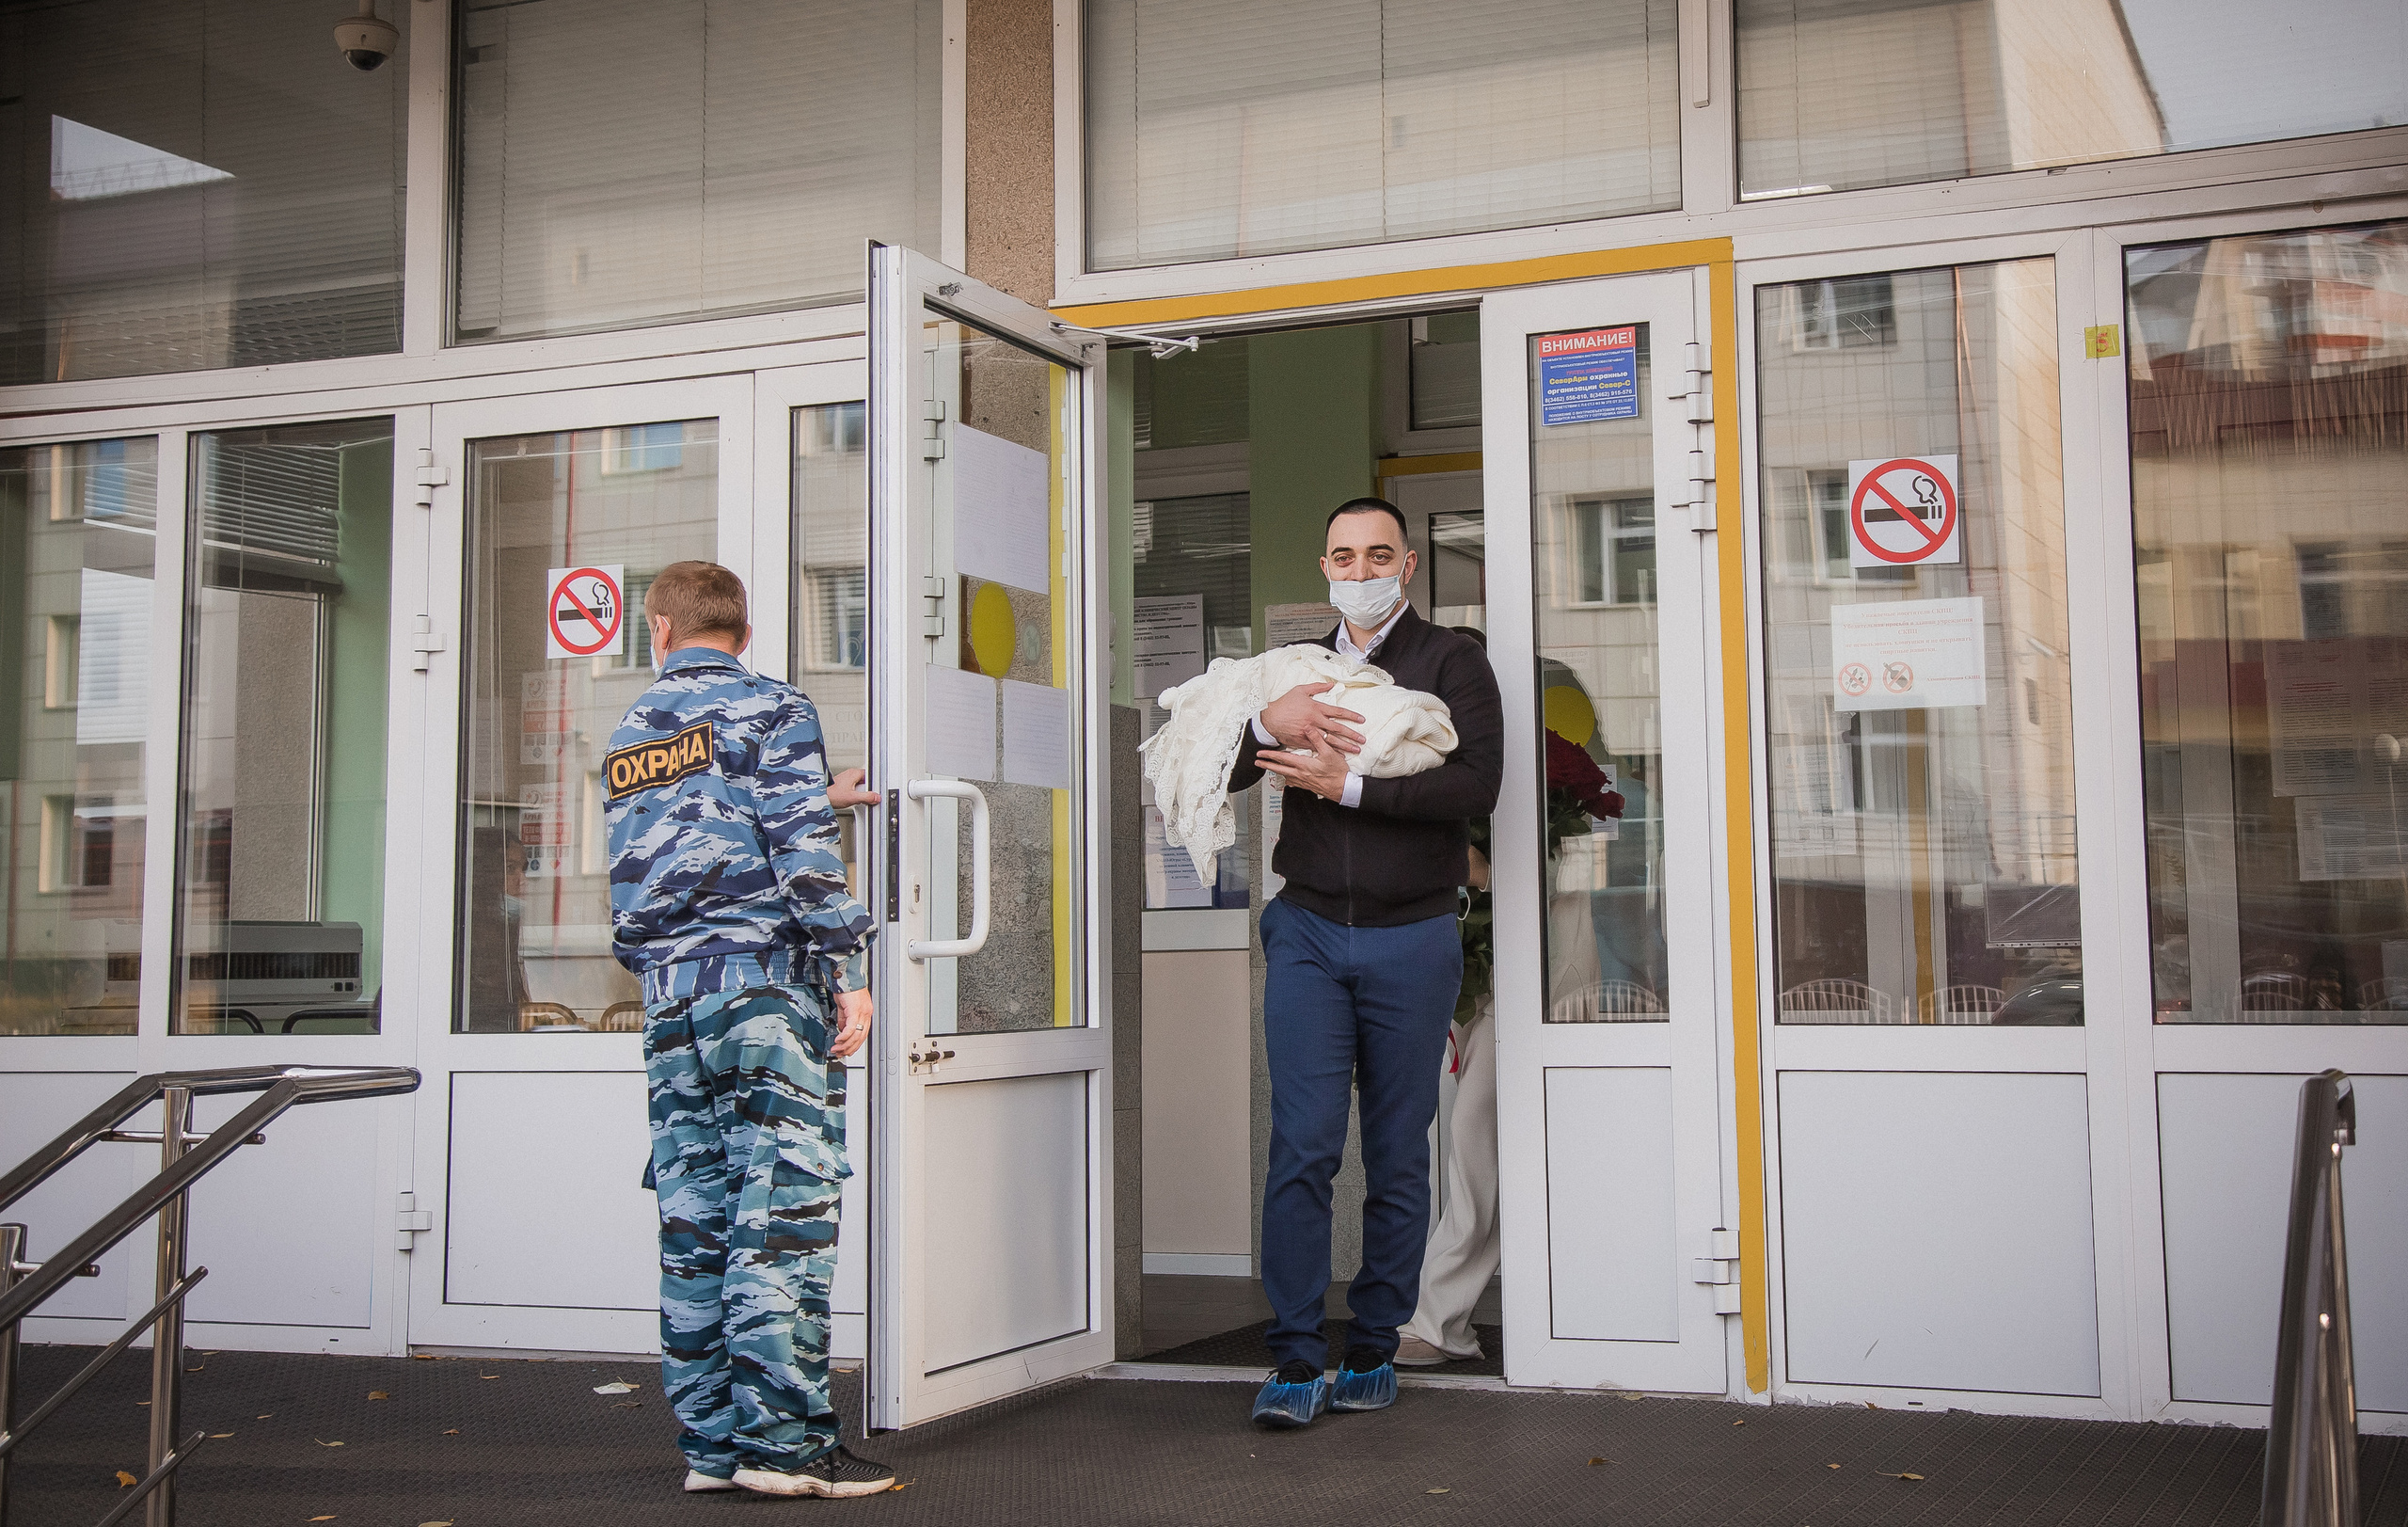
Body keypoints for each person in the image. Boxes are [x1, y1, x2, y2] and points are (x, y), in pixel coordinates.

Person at [604, 560, 895, 1499]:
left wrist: (821, 794)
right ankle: (781, 1451)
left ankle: (712, 1448)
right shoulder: (774, 709)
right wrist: (847, 973)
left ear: (659, 630)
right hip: (762, 995)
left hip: (669, 998)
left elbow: (675, 849)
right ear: (745, 628)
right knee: (781, 1214)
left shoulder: (633, 729)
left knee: (697, 1218)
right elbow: (800, 857)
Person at [1228, 500, 1503, 1427]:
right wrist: (1261, 717)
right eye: (1344, 555)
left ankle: (1375, 1344)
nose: (1360, 569)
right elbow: (1225, 768)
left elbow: (1477, 786)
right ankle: (1297, 1357)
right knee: (1302, 1146)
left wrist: (1348, 785)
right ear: (1324, 565)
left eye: (1377, 554)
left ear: (1409, 564)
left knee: (1395, 1155)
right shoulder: (1294, 669)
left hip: (1411, 935)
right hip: (1305, 929)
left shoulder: (1451, 661)